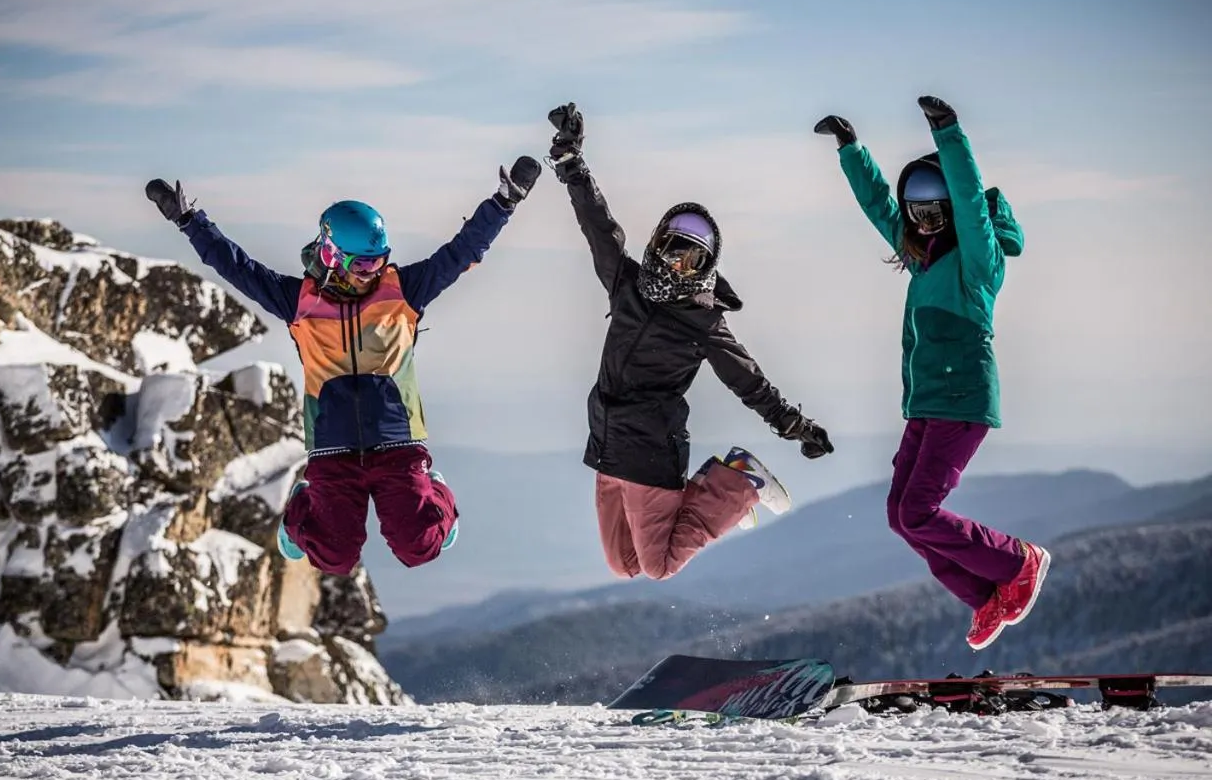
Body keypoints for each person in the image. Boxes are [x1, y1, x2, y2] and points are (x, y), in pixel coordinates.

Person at [144, 155, 541, 576]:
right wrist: (190, 221)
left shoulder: (403, 290)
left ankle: (435, 492)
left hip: (397, 441)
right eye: (362, 264)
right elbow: (236, 266)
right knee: (334, 557)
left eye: (379, 260)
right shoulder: (298, 300)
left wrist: (503, 203)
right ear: (332, 255)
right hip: (333, 445)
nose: (373, 272)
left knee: (420, 546)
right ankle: (302, 505)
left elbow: (461, 252)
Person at [546, 102, 834, 582]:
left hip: (651, 452)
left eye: (692, 260)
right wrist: (572, 161)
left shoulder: (702, 323)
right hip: (606, 441)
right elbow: (596, 223)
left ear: (706, 268)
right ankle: (711, 489)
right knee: (624, 564)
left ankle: (738, 481)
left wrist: (795, 426)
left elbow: (749, 381)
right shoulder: (626, 283)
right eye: (673, 252)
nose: (677, 266)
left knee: (658, 566)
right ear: (657, 243)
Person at [814, 95, 1049, 650]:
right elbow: (879, 208)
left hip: (962, 402)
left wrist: (948, 132)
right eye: (913, 207)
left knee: (919, 511)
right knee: (901, 514)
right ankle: (987, 597)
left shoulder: (976, 265)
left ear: (948, 204)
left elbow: (971, 202)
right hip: (927, 402)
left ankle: (1018, 561)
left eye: (931, 205)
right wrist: (851, 150)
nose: (920, 217)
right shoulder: (922, 258)